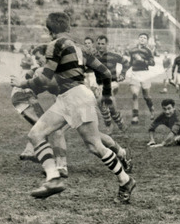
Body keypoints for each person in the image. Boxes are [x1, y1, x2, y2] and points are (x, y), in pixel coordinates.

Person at [9, 12, 136, 202]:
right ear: (68, 28)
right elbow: (105, 72)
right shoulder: (79, 48)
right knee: (94, 146)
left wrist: (22, 82)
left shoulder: (55, 45)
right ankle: (124, 180)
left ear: (50, 30)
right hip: (79, 95)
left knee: (37, 135)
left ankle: (54, 177)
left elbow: (44, 78)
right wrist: (107, 96)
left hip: (72, 97)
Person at [11, 45, 132, 178]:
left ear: (47, 56)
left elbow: (48, 82)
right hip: (77, 101)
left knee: (59, 131)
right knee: (93, 140)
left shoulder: (51, 70)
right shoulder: (47, 69)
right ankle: (122, 153)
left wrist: (24, 83)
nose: (37, 61)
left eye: (39, 58)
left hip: (80, 100)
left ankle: (61, 166)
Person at [94, 34, 128, 133]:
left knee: (101, 99)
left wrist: (123, 74)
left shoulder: (113, 55)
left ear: (107, 44)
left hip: (112, 83)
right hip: (100, 85)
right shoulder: (94, 57)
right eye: (99, 43)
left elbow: (126, 62)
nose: (100, 46)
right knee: (109, 106)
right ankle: (120, 123)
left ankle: (109, 125)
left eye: (103, 44)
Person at [124, 33, 157, 124]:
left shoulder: (148, 50)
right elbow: (130, 63)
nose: (142, 39)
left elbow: (152, 63)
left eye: (144, 38)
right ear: (138, 39)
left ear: (146, 41)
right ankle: (135, 117)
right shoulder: (132, 50)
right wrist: (123, 72)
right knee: (134, 94)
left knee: (146, 96)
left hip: (145, 74)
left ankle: (152, 109)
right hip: (134, 74)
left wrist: (142, 60)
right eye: (141, 37)